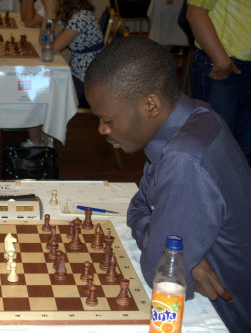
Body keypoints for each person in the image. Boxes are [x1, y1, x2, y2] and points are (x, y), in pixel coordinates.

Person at [84, 36, 251, 332]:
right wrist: (180, 259)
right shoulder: (197, 118)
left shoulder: (183, 158)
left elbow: (157, 272)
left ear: (150, 105)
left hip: (228, 315)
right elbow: (138, 206)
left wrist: (170, 259)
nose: (101, 129)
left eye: (107, 119)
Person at [23, 0, 103, 147]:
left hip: (89, 81)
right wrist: (48, 13)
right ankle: (42, 137)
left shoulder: (81, 18)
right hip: (78, 72)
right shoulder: (71, 15)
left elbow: (52, 47)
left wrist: (51, 12)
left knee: (35, 89)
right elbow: (44, 41)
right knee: (35, 84)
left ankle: (40, 141)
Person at [186, 0, 251, 162]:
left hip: (237, 64)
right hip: (226, 65)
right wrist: (221, 60)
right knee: (215, 151)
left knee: (242, 154)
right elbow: (195, 12)